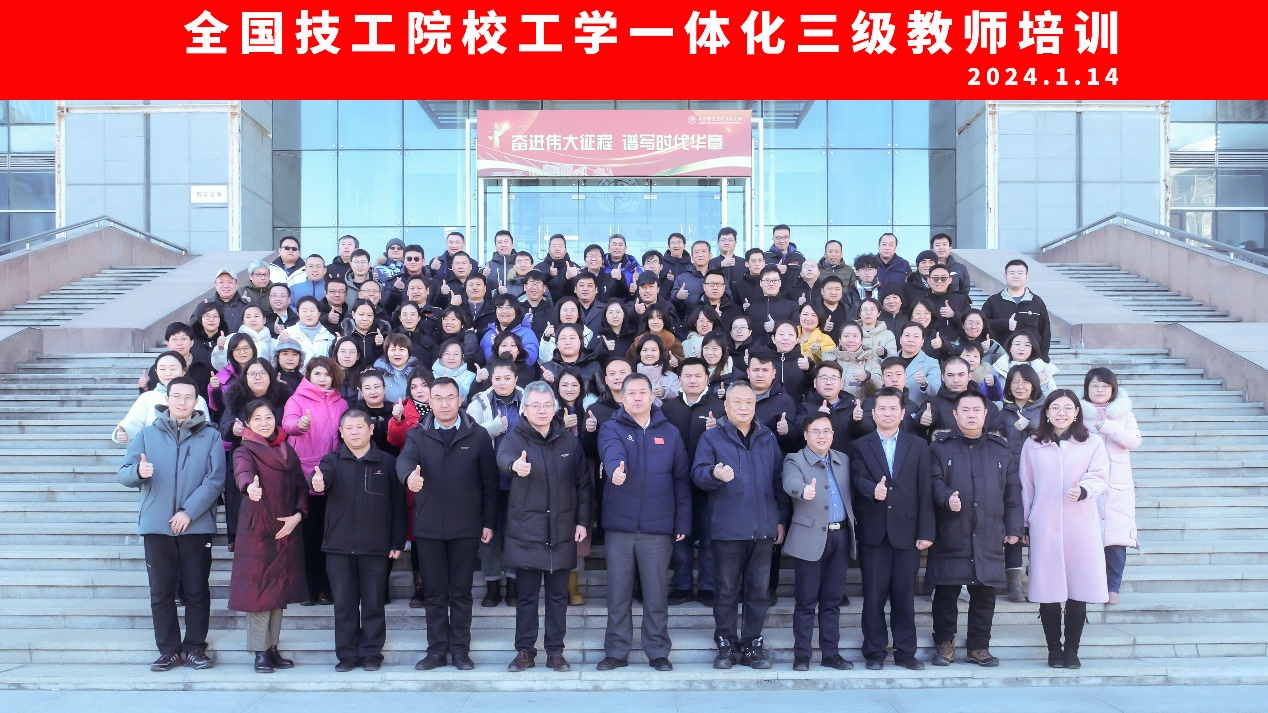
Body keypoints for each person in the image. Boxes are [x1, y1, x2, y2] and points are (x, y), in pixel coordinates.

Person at [116, 377, 225, 672]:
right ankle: (168, 651)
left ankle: (194, 648)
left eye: (188, 397)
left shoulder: (211, 436)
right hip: (157, 525)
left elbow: (215, 479)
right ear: (167, 399)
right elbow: (123, 473)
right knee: (161, 592)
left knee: (197, 590)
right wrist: (138, 471)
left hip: (196, 526)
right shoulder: (147, 435)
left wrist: (189, 512)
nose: (182, 402)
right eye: (176, 396)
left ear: (196, 401)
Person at [398, 377, 499, 671]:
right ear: (429, 401)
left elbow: (490, 484)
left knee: (462, 591)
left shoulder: (477, 435)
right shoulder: (418, 434)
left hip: (466, 526)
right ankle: (436, 650)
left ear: (460, 400)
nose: (444, 404)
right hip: (429, 526)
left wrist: (489, 521)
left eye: (450, 397)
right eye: (438, 398)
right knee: (434, 592)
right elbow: (404, 461)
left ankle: (460, 650)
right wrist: (409, 477)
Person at [594, 374, 690, 671]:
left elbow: (681, 480)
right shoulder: (611, 428)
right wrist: (614, 469)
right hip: (620, 527)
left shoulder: (670, 433)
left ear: (652, 397)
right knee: (618, 594)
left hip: (658, 528)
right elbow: (611, 452)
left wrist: (682, 522)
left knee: (656, 594)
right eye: (631, 393)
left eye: (642, 392)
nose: (637, 397)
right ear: (622, 398)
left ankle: (658, 650)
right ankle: (616, 651)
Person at [692, 381, 789, 670]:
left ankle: (752, 644)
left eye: (749, 402)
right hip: (728, 528)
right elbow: (697, 474)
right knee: (725, 590)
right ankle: (725, 643)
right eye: (738, 402)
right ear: (726, 405)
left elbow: (778, 480)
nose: (744, 407)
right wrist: (714, 474)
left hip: (763, 529)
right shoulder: (711, 438)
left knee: (759, 591)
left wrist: (780, 518)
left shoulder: (767, 437)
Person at [497, 381, 593, 672]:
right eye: (535, 405)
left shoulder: (568, 442)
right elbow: (503, 458)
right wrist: (515, 466)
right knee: (526, 597)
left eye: (547, 405)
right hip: (526, 531)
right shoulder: (515, 438)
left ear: (555, 408)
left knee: (557, 597)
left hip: (561, 529)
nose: (542, 410)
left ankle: (555, 651)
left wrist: (582, 521)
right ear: (524, 410)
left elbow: (583, 485)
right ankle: (525, 651)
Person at [927, 391, 1022, 668]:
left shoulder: (1000, 449)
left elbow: (1012, 492)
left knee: (985, 594)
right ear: (955, 415)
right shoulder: (939, 447)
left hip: (988, 531)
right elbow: (933, 482)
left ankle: (979, 647)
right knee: (946, 593)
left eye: (976, 410)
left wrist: (1014, 527)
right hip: (951, 530)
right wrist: (946, 497)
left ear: (985, 414)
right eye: (965, 410)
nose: (971, 415)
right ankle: (944, 644)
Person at [1021, 389, 1111, 669]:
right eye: (1055, 408)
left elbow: (1100, 476)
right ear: (1046, 412)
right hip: (1045, 524)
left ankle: (1072, 650)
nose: (1062, 413)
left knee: (1078, 588)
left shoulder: (1092, 442)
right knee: (1048, 589)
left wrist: (1084, 490)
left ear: (1076, 413)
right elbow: (1026, 485)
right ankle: (1053, 649)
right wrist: (1026, 522)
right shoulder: (1033, 444)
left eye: (1068, 408)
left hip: (1080, 524)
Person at [314, 409, 406, 672]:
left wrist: (397, 542)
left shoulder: (388, 463)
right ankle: (346, 654)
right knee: (344, 605)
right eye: (349, 428)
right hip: (338, 546)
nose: (354, 432)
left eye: (359, 427)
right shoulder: (331, 460)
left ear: (371, 429)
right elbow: (320, 479)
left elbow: (398, 505)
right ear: (341, 433)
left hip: (375, 547)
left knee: (374, 603)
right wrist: (317, 482)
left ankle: (371, 653)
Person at [850, 386, 934, 670]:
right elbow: (856, 478)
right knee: (873, 597)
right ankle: (874, 653)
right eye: (882, 409)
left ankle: (905, 653)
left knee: (904, 597)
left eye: (893, 409)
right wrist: (871, 490)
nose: (887, 413)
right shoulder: (861, 445)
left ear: (902, 413)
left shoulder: (918, 445)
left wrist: (926, 531)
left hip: (907, 533)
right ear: (873, 414)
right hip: (874, 532)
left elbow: (925, 490)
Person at [229, 399, 308, 673]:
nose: (264, 423)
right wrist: (248, 487)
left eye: (268, 417)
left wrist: (298, 515)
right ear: (247, 424)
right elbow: (243, 473)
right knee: (259, 594)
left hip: (286, 527)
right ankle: (259, 652)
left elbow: (301, 486)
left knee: (279, 590)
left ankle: (273, 648)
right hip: (258, 529)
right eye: (257, 418)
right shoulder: (244, 450)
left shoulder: (287, 449)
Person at [782, 413, 856, 671]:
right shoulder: (795, 459)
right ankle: (802, 655)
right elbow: (789, 481)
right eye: (816, 431)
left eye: (827, 431)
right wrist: (803, 490)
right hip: (810, 537)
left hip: (840, 536)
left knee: (832, 600)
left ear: (833, 435)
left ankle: (830, 653)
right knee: (806, 600)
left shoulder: (843, 459)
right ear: (805, 435)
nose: (822, 436)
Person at [282, 356, 348, 606]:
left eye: (327, 374)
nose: (322, 378)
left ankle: (326, 588)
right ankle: (308, 589)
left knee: (329, 536)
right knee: (308, 536)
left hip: (333, 476)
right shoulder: (297, 399)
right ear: (308, 375)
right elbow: (287, 424)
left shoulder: (341, 402)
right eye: (317, 373)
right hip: (304, 474)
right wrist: (300, 424)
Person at [661, 358, 723, 606]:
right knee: (680, 535)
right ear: (679, 379)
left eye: (698, 376)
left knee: (709, 535)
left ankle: (708, 586)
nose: (693, 380)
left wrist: (718, 430)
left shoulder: (719, 408)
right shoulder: (668, 409)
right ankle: (682, 585)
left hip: (710, 483)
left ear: (707, 378)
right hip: (676, 484)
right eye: (688, 376)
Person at [1081, 368, 1141, 606]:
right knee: (1087, 538)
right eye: (1094, 385)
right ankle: (1090, 585)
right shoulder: (1077, 411)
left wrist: (1107, 425)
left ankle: (1113, 587)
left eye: (1104, 386)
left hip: (1117, 484)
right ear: (1087, 388)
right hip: (1087, 480)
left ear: (1113, 389)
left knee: (1116, 539)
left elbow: (1134, 441)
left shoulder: (1124, 413)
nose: (1099, 390)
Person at [218, 358, 292, 551]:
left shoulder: (284, 398)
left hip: (277, 459)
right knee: (242, 504)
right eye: (252, 374)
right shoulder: (235, 398)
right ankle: (238, 541)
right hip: (244, 458)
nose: (257, 377)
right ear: (245, 377)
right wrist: (233, 429)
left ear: (271, 376)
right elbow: (223, 427)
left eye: (262, 373)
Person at [1000, 364, 1045, 601]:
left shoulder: (1044, 409)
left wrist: (1031, 426)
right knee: (1014, 526)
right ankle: (1014, 582)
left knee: (1037, 526)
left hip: (1039, 477)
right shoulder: (1003, 412)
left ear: (1034, 385)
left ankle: (1037, 574)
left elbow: (1053, 433)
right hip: (1009, 477)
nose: (1020, 387)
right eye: (1015, 382)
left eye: (1025, 382)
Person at [114, 352, 211, 445]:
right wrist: (124, 432)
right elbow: (133, 423)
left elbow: (205, 430)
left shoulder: (196, 399)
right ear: (156, 372)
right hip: (154, 451)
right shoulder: (147, 397)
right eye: (162, 369)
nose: (168, 373)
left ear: (183, 371)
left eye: (173, 368)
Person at [981, 259, 1052, 360]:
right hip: (1001, 359)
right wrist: (1005, 324)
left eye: (1020, 273)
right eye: (1012, 273)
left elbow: (1045, 332)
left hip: (1031, 359)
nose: (1016, 276)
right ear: (1005, 276)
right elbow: (982, 325)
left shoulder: (1037, 302)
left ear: (1027, 276)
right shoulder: (993, 301)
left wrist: (1044, 357)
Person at [993, 329, 1058, 394]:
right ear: (1010, 347)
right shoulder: (998, 367)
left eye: (1027, 345)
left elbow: (1052, 395)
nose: (1022, 348)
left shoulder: (1041, 369)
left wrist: (1043, 382)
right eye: (1017, 344)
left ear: (1032, 349)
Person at [283, 297, 337, 368]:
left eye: (312, 310)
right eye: (304, 311)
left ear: (319, 313)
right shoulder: (287, 334)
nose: (308, 314)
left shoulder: (329, 336)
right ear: (298, 314)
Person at [192, 267, 250, 333]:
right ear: (215, 284)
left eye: (230, 282)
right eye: (221, 282)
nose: (225, 286)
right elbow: (191, 331)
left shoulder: (246, 306)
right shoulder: (204, 305)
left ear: (237, 285)